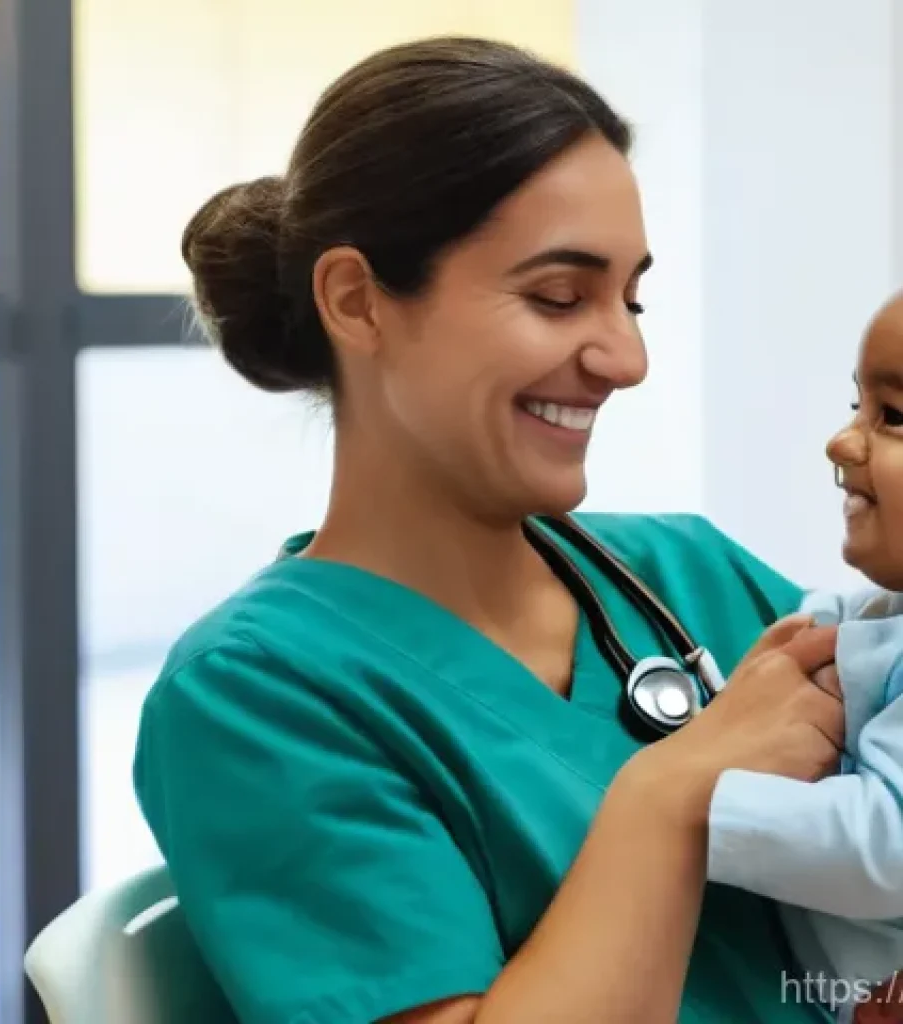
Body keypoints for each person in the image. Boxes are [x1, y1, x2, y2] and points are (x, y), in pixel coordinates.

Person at [132, 37, 845, 1024]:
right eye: (559, 296)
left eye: (630, 297)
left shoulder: (692, 575)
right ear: (356, 300)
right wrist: (671, 793)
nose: (626, 356)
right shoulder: (255, 697)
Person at [705, 292, 903, 1024]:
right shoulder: (872, 612)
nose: (842, 441)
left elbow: (889, 846)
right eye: (859, 405)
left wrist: (694, 805)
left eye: (895, 417)